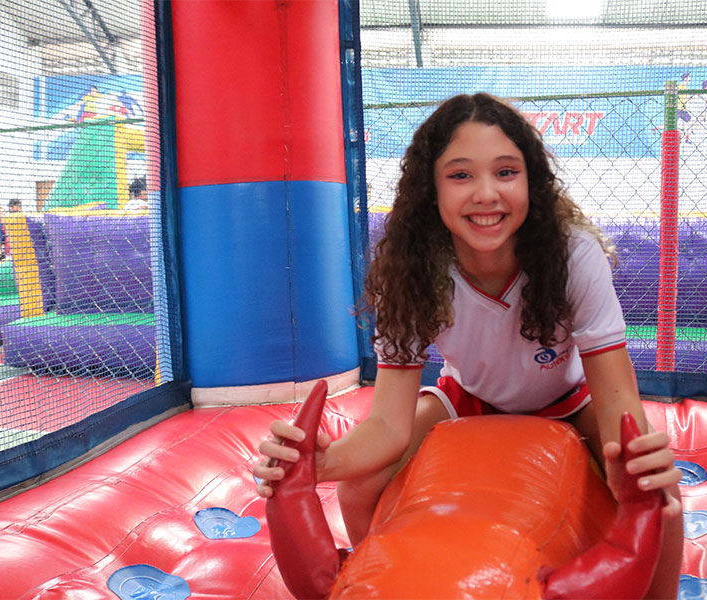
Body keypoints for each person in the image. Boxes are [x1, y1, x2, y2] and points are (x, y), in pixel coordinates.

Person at [253, 93, 684, 598]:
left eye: (506, 172)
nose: (486, 194)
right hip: (468, 398)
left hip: (569, 401)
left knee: (660, 493)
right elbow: (388, 425)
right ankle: (380, 582)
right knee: (359, 485)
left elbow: (614, 396)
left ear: (531, 182)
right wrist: (320, 464)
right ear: (431, 189)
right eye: (460, 175)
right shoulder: (410, 270)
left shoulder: (572, 254)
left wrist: (627, 462)